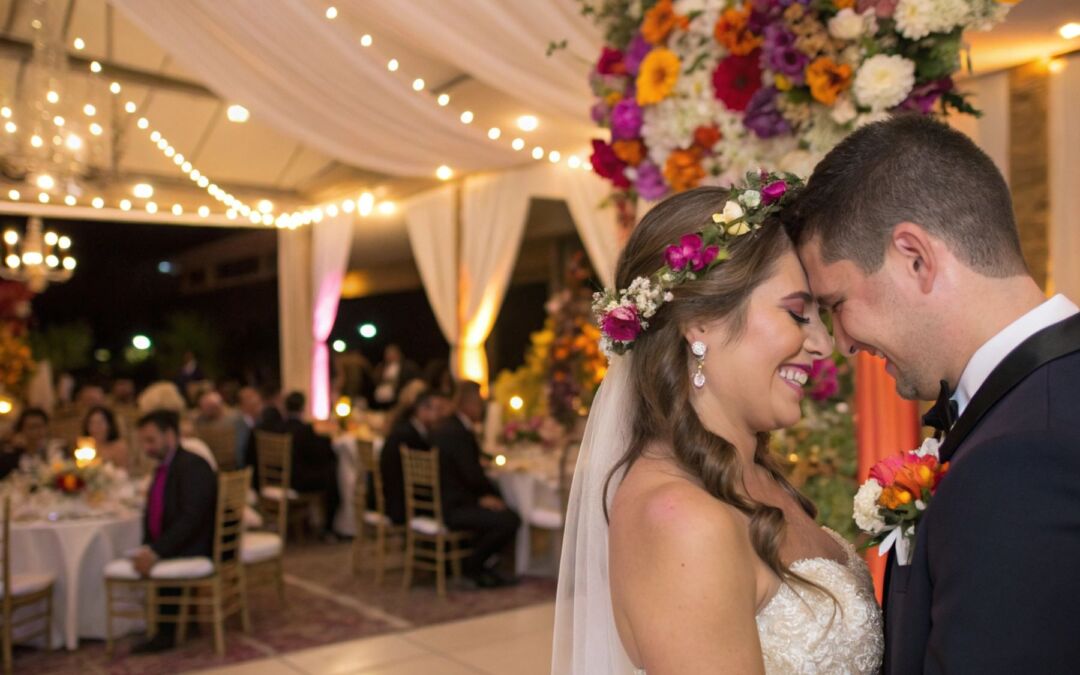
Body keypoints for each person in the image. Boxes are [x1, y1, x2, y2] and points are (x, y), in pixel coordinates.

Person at [785, 115, 1080, 674]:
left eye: (837, 302)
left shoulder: (1020, 458)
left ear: (914, 257)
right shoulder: (1043, 403)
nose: (842, 343)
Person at [552, 179, 882, 673]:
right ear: (701, 320)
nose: (822, 345)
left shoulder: (756, 475)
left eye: (821, 316)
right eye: (797, 313)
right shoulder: (678, 517)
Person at [128, 409, 217, 654]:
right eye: (143, 442)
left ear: (169, 435)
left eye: (150, 440)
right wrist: (148, 546)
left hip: (197, 544)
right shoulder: (165, 466)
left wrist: (156, 551)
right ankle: (175, 624)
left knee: (157, 556)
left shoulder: (193, 465)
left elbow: (192, 519)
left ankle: (165, 633)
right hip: (180, 541)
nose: (146, 448)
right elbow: (156, 512)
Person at [431, 381, 520, 589]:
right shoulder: (459, 432)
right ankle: (473, 566)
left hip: (444, 500)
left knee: (500, 510)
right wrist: (486, 497)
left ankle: (477, 564)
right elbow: (471, 475)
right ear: (469, 404)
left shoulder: (445, 426)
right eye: (479, 404)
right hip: (455, 505)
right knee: (509, 519)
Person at [378, 389, 446, 524]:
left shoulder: (405, 429)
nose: (441, 415)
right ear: (422, 409)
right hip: (402, 505)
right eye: (437, 409)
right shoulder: (410, 437)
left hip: (388, 501)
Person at [282, 392, 341, 539]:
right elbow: (324, 453)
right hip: (297, 481)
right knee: (332, 473)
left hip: (280, 478)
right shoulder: (304, 431)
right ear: (303, 408)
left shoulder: (279, 427)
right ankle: (329, 527)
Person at [372, 344, 419, 409]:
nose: (389, 356)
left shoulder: (407, 366)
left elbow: (413, 381)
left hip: (399, 397)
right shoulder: (381, 367)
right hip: (380, 399)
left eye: (392, 353)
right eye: (387, 354)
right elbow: (375, 381)